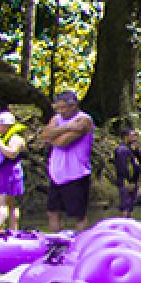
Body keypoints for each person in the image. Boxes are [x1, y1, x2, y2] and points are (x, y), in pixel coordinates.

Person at [39, 91, 94, 231]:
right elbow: (45, 135)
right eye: (58, 108)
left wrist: (54, 134)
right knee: (52, 211)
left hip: (76, 173)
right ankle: (56, 244)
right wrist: (68, 127)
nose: (60, 111)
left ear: (73, 106)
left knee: (78, 215)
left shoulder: (84, 119)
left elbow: (62, 142)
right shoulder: (57, 118)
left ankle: (80, 244)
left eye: (63, 107)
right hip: (57, 173)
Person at [0, 110, 28, 231]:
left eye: (0, 125)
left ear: (7, 125)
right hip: (2, 174)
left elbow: (12, 153)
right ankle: (9, 229)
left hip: (9, 174)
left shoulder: (16, 139)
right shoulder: (2, 138)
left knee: (3, 203)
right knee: (8, 204)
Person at [112, 128, 141, 215]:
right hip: (126, 181)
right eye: (133, 136)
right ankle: (124, 225)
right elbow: (123, 167)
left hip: (133, 181)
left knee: (130, 206)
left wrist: (137, 151)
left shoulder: (131, 149)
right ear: (126, 137)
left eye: (135, 136)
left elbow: (139, 162)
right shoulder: (122, 150)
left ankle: (129, 225)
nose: (135, 138)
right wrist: (129, 181)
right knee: (125, 206)